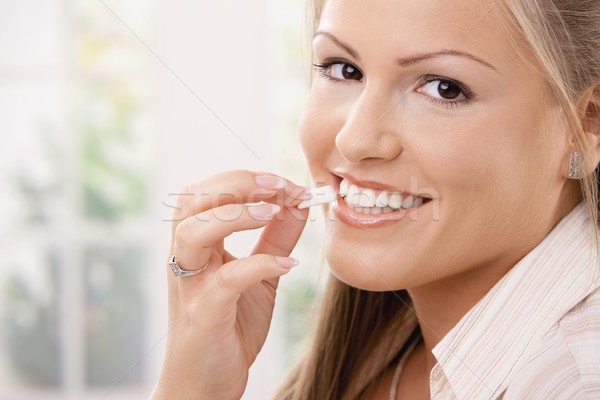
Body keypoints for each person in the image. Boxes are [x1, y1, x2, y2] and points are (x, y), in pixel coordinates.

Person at [150, 0, 600, 398]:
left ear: (589, 125)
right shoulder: (379, 349)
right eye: (344, 69)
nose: (355, 138)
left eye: (444, 87)